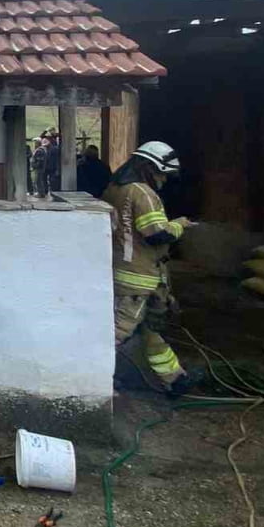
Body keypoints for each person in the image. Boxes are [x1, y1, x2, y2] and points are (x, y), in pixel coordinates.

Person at [103, 141, 195, 394]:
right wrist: (179, 225)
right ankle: (90, 382)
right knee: (116, 333)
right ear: (148, 167)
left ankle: (175, 379)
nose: (163, 180)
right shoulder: (142, 193)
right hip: (137, 278)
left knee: (149, 330)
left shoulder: (114, 189)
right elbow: (155, 234)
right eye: (161, 173)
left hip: (125, 271)